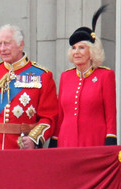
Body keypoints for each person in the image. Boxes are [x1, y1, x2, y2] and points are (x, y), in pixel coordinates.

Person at [0, 24, 58, 150]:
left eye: (7, 43)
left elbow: (49, 116)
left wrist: (33, 138)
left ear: (21, 45)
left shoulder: (42, 75)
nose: (3, 48)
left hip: (21, 147)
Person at [50, 5, 117, 147]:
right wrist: (55, 139)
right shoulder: (65, 77)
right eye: (73, 48)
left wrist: (111, 139)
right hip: (66, 141)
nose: (76, 52)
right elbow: (61, 114)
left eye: (81, 48)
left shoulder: (105, 75)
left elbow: (110, 114)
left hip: (94, 140)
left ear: (92, 51)